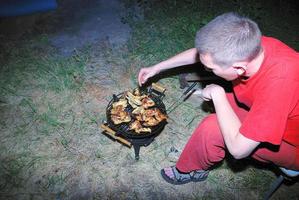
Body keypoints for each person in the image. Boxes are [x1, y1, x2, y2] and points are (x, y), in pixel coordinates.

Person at [137, 12, 299, 185]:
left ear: (239, 68)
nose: (206, 70)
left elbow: (238, 150)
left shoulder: (279, 85)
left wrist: (218, 94)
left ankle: (190, 170)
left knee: (212, 129)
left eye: (211, 69)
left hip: (292, 144)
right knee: (225, 107)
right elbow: (206, 53)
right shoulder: (251, 45)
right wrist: (158, 67)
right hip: (274, 111)